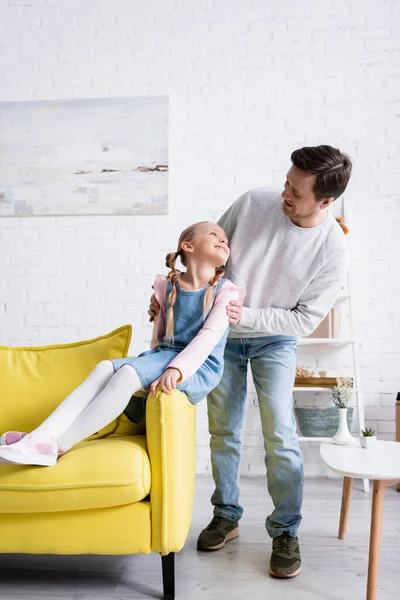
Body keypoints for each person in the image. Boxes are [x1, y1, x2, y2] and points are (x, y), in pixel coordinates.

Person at [149, 144, 352, 580]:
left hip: (275, 340)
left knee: (280, 433)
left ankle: (284, 530)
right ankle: (227, 514)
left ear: (326, 201)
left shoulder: (333, 248)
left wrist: (248, 316)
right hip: (218, 335)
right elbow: (204, 259)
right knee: (223, 429)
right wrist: (172, 301)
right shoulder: (255, 202)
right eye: (286, 182)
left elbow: (306, 318)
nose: (285, 194)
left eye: (296, 191)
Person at [0, 222, 244, 467]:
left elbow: (208, 337)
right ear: (187, 246)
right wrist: (158, 317)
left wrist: (177, 369)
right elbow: (160, 341)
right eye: (214, 235)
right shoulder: (168, 285)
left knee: (127, 374)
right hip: (165, 355)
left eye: (225, 239)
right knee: (104, 367)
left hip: (199, 366)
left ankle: (57, 446)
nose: (223, 241)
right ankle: (38, 438)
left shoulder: (227, 291)